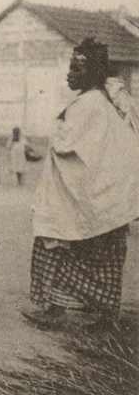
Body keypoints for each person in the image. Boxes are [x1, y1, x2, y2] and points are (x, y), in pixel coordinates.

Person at [25, 39, 139, 327]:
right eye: (69, 68)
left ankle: (55, 310)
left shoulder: (90, 104)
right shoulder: (99, 100)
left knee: (53, 240)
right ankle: (97, 310)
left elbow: (66, 145)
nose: (68, 74)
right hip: (93, 194)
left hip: (80, 193)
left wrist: (57, 127)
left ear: (91, 72)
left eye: (75, 69)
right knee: (95, 250)